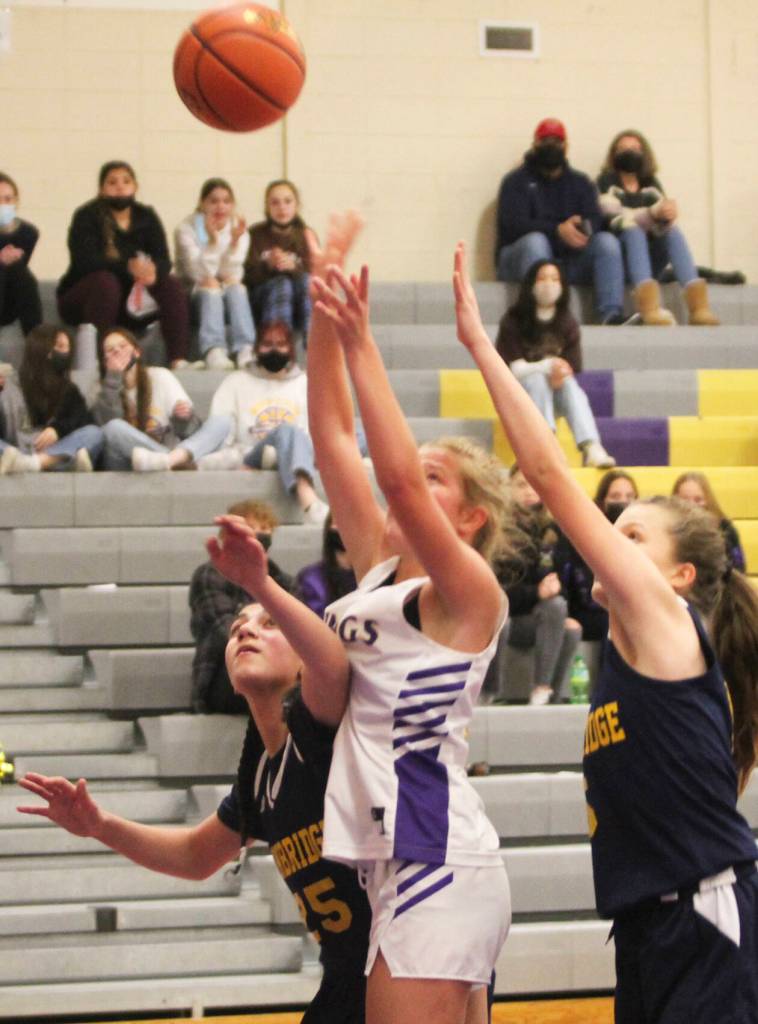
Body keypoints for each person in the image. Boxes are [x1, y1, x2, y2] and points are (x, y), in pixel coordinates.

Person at [453, 239, 758, 1024]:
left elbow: (551, 478)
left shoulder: (666, 620)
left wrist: (485, 348)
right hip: (647, 926)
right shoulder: (635, 655)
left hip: (702, 918)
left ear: (679, 575)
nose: (611, 545)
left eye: (632, 537)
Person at [307, 221, 512, 1023]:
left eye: (436, 481)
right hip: (401, 858)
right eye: (416, 471)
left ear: (468, 521)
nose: (410, 486)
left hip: (434, 855)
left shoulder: (471, 596)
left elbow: (392, 479)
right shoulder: (382, 574)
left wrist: (365, 344)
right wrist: (324, 307)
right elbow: (330, 439)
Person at [17, 590, 372, 1024]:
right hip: (346, 981)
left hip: (405, 966)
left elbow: (331, 665)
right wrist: (99, 825)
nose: (245, 629)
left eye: (270, 624)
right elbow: (194, 856)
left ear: (307, 663)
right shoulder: (261, 769)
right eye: (239, 624)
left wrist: (257, 578)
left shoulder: (324, 733)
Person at [57, 160, 190, 367]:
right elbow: (84, 262)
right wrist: (127, 268)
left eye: (126, 181)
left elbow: (164, 258)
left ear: (135, 186)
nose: (120, 186)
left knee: (171, 284)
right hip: (86, 300)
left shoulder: (147, 215)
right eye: (112, 182)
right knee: (106, 282)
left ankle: (178, 360)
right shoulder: (86, 216)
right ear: (102, 189)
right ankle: (102, 361)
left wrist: (154, 272)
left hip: (132, 303)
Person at [495, 118, 625, 325]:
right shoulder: (515, 182)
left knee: (606, 242)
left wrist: (581, 228)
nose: (551, 146)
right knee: (536, 241)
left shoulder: (581, 183)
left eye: (557, 141)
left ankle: (611, 315)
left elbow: (596, 220)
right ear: (535, 144)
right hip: (520, 260)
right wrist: (556, 230)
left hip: (568, 262)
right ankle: (540, 320)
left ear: (566, 146)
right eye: (545, 140)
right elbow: (512, 225)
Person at [198, 323, 330, 524]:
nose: (274, 350)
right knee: (286, 431)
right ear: (256, 349)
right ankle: (309, 502)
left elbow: (317, 431)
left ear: (291, 350)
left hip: (302, 451)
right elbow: (223, 432)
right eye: (267, 344)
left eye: (280, 344)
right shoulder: (236, 381)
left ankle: (281, 458)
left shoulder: (305, 383)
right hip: (253, 452)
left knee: (359, 434)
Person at [496, 259, 615, 468]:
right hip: (519, 396)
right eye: (542, 278)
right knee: (536, 379)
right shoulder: (513, 320)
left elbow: (572, 367)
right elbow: (512, 369)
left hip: (555, 394)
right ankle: (545, 443)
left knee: (571, 385)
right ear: (531, 284)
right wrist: (546, 366)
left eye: (554, 279)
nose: (548, 284)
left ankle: (591, 446)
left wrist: (559, 373)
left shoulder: (568, 322)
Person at [597, 131, 719, 327]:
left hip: (650, 258)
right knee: (633, 230)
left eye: (635, 149)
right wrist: (652, 214)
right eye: (623, 149)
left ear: (644, 154)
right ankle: (649, 308)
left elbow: (660, 220)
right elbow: (614, 217)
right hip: (621, 262)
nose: (629, 153)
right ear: (614, 155)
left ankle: (699, 308)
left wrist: (667, 215)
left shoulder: (651, 184)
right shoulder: (605, 182)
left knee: (672, 231)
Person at [189, 500, 293, 715]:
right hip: (223, 672)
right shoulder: (209, 575)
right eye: (252, 528)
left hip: (275, 667)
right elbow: (226, 632)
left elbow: (296, 632)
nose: (260, 534)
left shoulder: (284, 580)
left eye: (265, 529)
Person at [496, 464, 581, 705]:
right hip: (505, 617)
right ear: (508, 488)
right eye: (521, 485)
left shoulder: (552, 531)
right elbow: (496, 595)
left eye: (533, 484)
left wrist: (555, 598)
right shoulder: (498, 530)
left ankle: (545, 693)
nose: (529, 491)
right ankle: (490, 693)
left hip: (539, 618)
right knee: (504, 622)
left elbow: (561, 583)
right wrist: (537, 592)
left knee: (566, 620)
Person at [91, 328, 230, 471]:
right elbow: (110, 435)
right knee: (113, 427)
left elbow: (189, 432)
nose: (117, 352)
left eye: (122, 346)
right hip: (127, 464)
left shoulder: (160, 376)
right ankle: (177, 461)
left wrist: (183, 419)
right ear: (103, 360)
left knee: (222, 422)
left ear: (137, 352)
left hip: (164, 458)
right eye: (109, 350)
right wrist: (113, 379)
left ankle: (172, 459)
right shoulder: (99, 389)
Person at [174, 177, 256, 371]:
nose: (220, 207)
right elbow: (199, 274)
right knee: (210, 283)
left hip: (226, 293)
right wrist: (212, 242)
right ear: (202, 204)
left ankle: (245, 348)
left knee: (236, 285)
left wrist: (234, 243)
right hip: (195, 296)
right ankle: (214, 349)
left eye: (226, 201)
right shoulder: (186, 229)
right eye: (213, 201)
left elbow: (231, 273)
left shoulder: (238, 228)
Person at [0, 324, 103, 474]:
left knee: (94, 433)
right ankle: (39, 463)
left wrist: (58, 429)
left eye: (67, 348)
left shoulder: (70, 391)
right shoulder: (9, 386)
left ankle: (35, 463)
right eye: (59, 346)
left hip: (55, 451)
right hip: (15, 451)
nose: (64, 353)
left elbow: (82, 421)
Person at [554, 469, 639, 644]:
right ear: (602, 502)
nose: (623, 502)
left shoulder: (643, 538)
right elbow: (577, 586)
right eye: (615, 497)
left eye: (630, 497)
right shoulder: (585, 536)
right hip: (588, 613)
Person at [244, 179, 316, 347]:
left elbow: (317, 275)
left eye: (287, 201)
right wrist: (267, 266)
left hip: (300, 301)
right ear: (267, 207)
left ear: (297, 205)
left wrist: (294, 267)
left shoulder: (307, 235)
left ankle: (313, 343)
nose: (282, 208)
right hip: (263, 301)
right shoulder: (255, 234)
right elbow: (245, 276)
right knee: (282, 283)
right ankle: (279, 346)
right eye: (275, 202)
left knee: (306, 281)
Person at [672, 470, 746, 573]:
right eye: (684, 499)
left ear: (707, 500)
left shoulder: (725, 529)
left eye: (698, 500)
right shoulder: (668, 531)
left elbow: (738, 572)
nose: (691, 505)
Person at [0, 172, 42, 337]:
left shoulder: (28, 233)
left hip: (9, 303)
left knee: (19, 271)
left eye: (8, 199)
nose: (2, 204)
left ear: (16, 201)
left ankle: (37, 342)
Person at [295, 513, 357, 621]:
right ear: (328, 529)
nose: (344, 527)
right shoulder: (310, 577)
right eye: (337, 522)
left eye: (352, 522)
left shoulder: (377, 577)